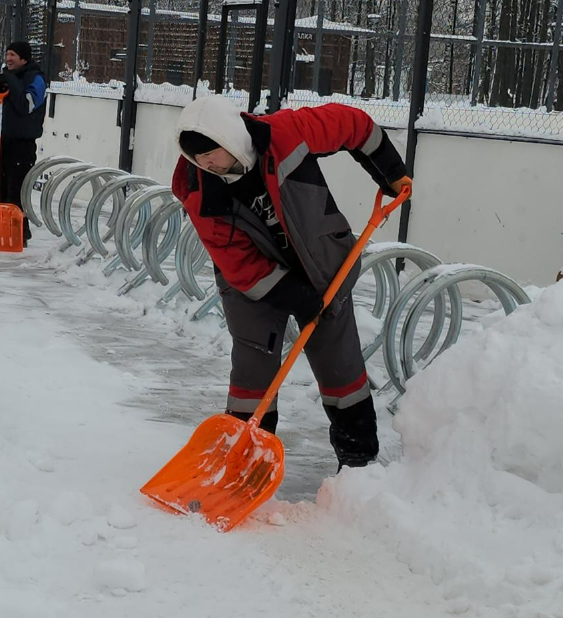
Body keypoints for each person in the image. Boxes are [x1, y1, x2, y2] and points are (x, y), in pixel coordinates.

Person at [171, 96, 413, 471]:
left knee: (340, 365)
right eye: (197, 159)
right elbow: (237, 262)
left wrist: (390, 171)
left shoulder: (287, 133)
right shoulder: (198, 189)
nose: (206, 165)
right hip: (253, 283)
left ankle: (358, 462)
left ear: (231, 138)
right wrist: (289, 294)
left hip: (321, 264)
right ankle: (243, 465)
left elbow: (354, 125)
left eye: (211, 155)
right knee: (254, 365)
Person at [0, 40, 47, 246]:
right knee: (0, 187)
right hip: (3, 140)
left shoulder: (36, 78)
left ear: (24, 58)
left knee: (17, 189)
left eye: (13, 55)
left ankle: (19, 231)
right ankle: (4, 228)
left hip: (23, 144)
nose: (8, 58)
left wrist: (11, 81)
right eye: (7, 54)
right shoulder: (9, 76)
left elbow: (25, 105)